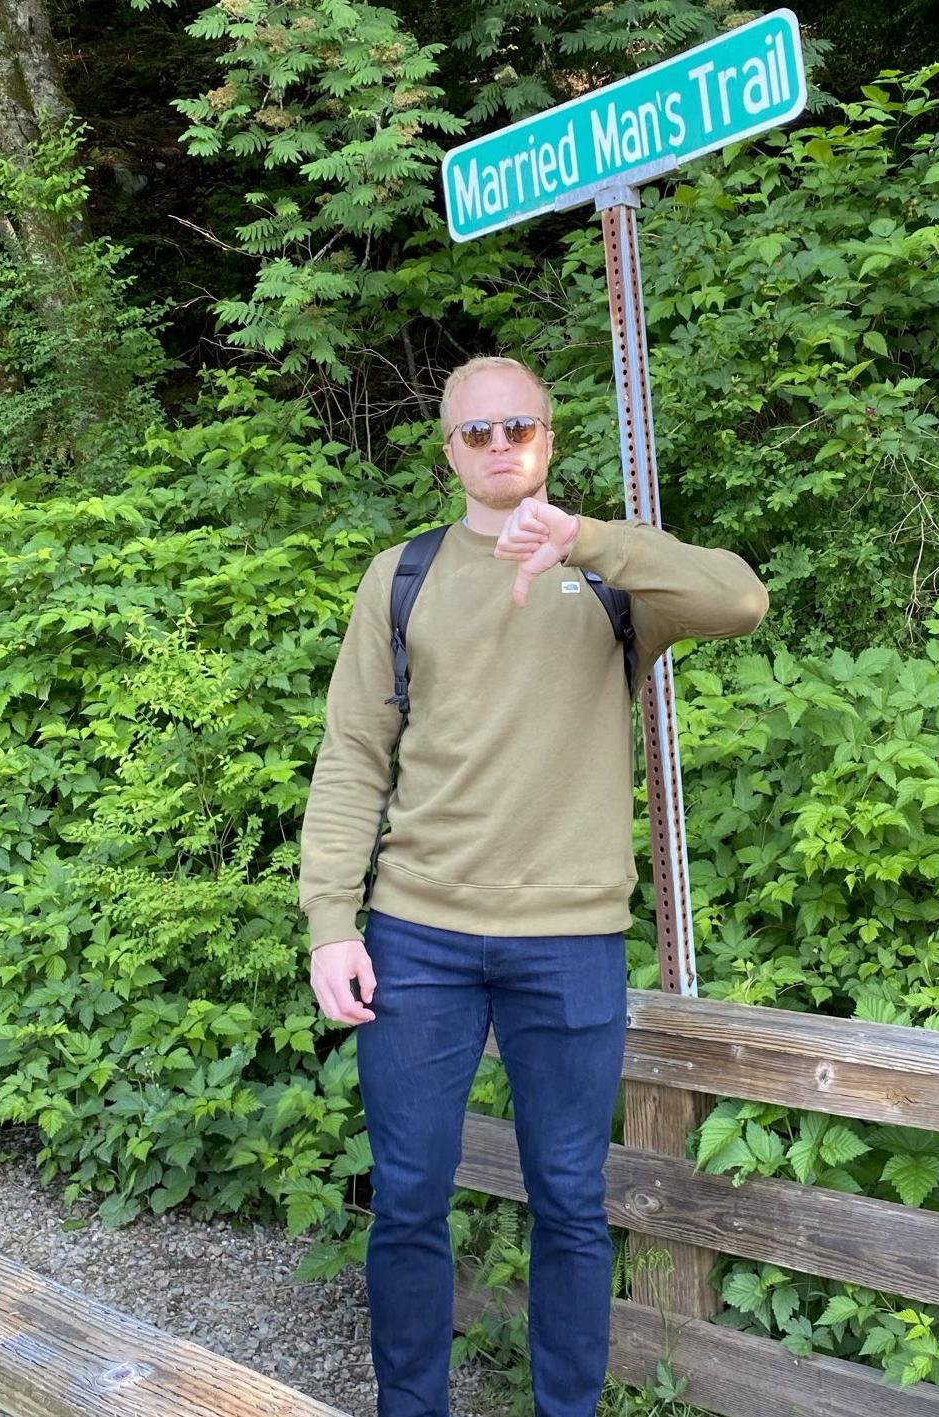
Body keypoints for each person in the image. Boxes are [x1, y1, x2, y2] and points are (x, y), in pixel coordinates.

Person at [298, 355, 768, 1417]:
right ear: (448, 451)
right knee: (406, 1199)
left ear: (548, 438)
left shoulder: (609, 578)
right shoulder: (401, 576)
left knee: (568, 1201)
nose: (500, 444)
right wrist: (330, 920)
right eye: (477, 432)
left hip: (569, 939)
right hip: (417, 934)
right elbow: (352, 756)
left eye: (519, 426)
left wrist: (587, 539)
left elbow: (741, 598)